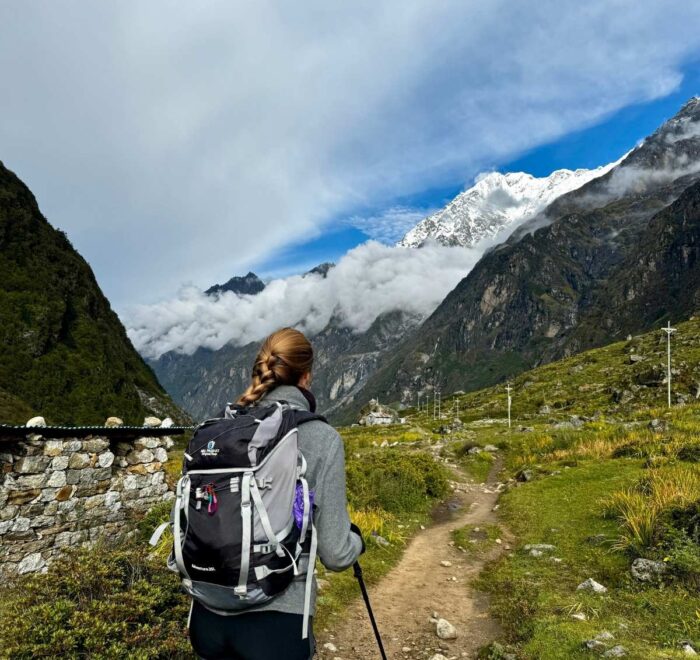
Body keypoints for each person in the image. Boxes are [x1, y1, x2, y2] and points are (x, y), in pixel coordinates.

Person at [188, 327, 364, 660]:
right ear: (306, 377)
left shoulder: (217, 432)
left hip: (207, 617)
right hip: (276, 627)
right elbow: (336, 554)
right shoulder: (320, 438)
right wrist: (358, 540)